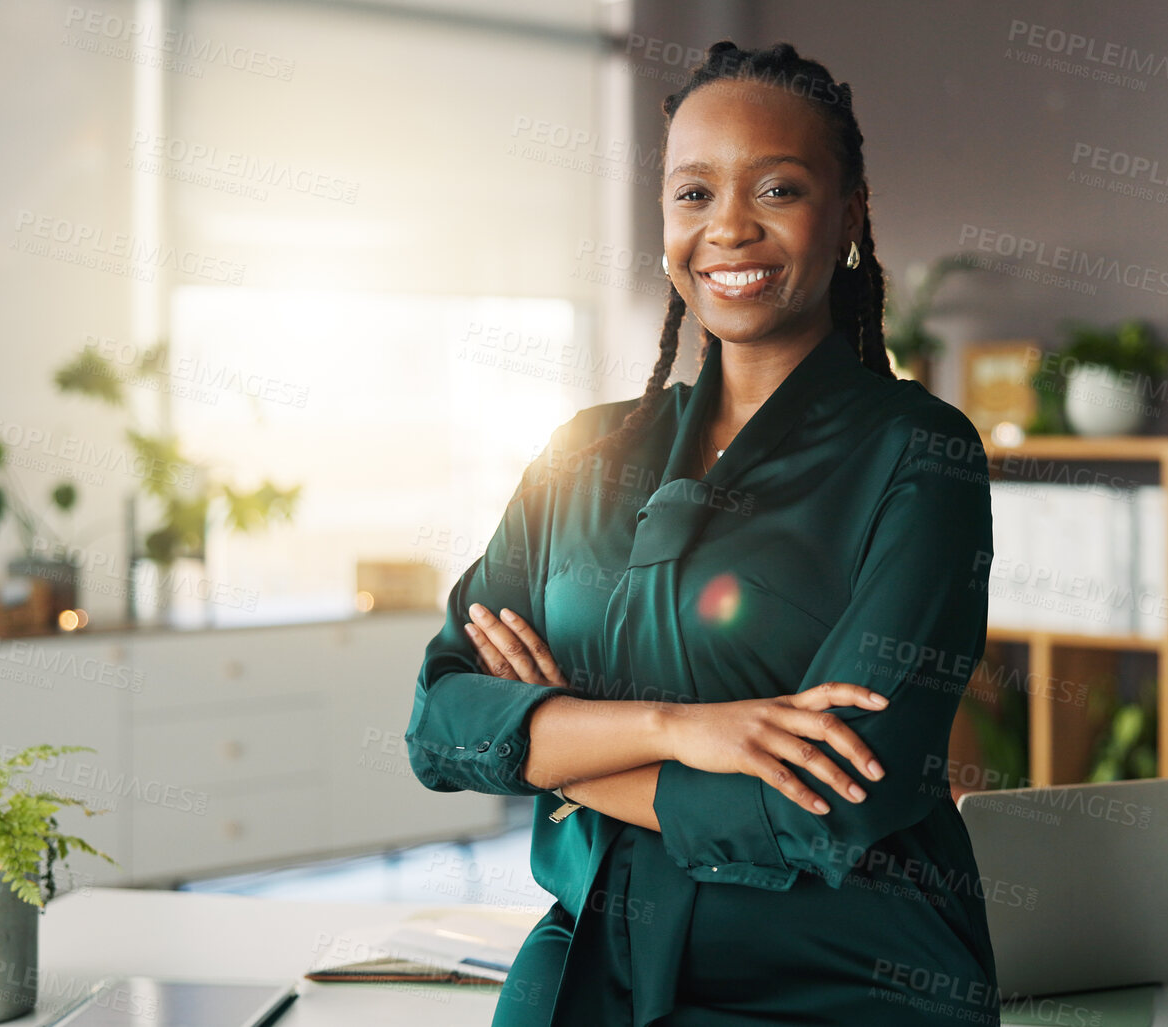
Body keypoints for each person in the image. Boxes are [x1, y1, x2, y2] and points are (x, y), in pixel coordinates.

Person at [405, 40, 998, 1027]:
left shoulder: (921, 453)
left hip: (846, 976)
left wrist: (558, 749)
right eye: (693, 194)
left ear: (848, 214)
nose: (729, 227)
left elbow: (833, 795)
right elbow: (442, 727)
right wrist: (683, 731)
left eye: (777, 188)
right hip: (592, 956)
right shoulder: (579, 455)